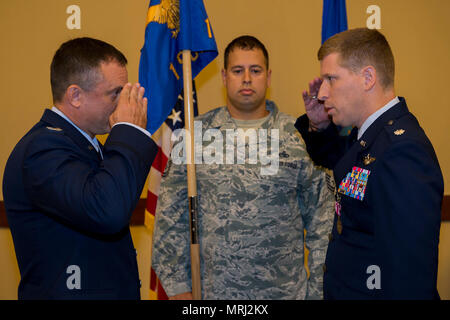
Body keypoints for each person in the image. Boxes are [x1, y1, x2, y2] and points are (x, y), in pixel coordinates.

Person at [151, 35, 334, 300]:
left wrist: (318, 293)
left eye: (255, 70)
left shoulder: (299, 137)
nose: (246, 78)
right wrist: (180, 293)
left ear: (268, 77)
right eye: (238, 71)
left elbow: (322, 224)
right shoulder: (194, 136)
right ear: (224, 77)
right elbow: (170, 221)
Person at [3, 37, 158, 299]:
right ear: (75, 95)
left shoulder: (81, 144)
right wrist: (129, 131)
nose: (124, 104)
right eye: (115, 93)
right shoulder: (43, 149)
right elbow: (108, 210)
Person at [295, 28, 443, 299]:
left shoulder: (402, 151)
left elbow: (408, 276)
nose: (322, 93)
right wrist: (318, 124)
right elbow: (339, 162)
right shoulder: (368, 137)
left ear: (367, 78)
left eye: (331, 79)